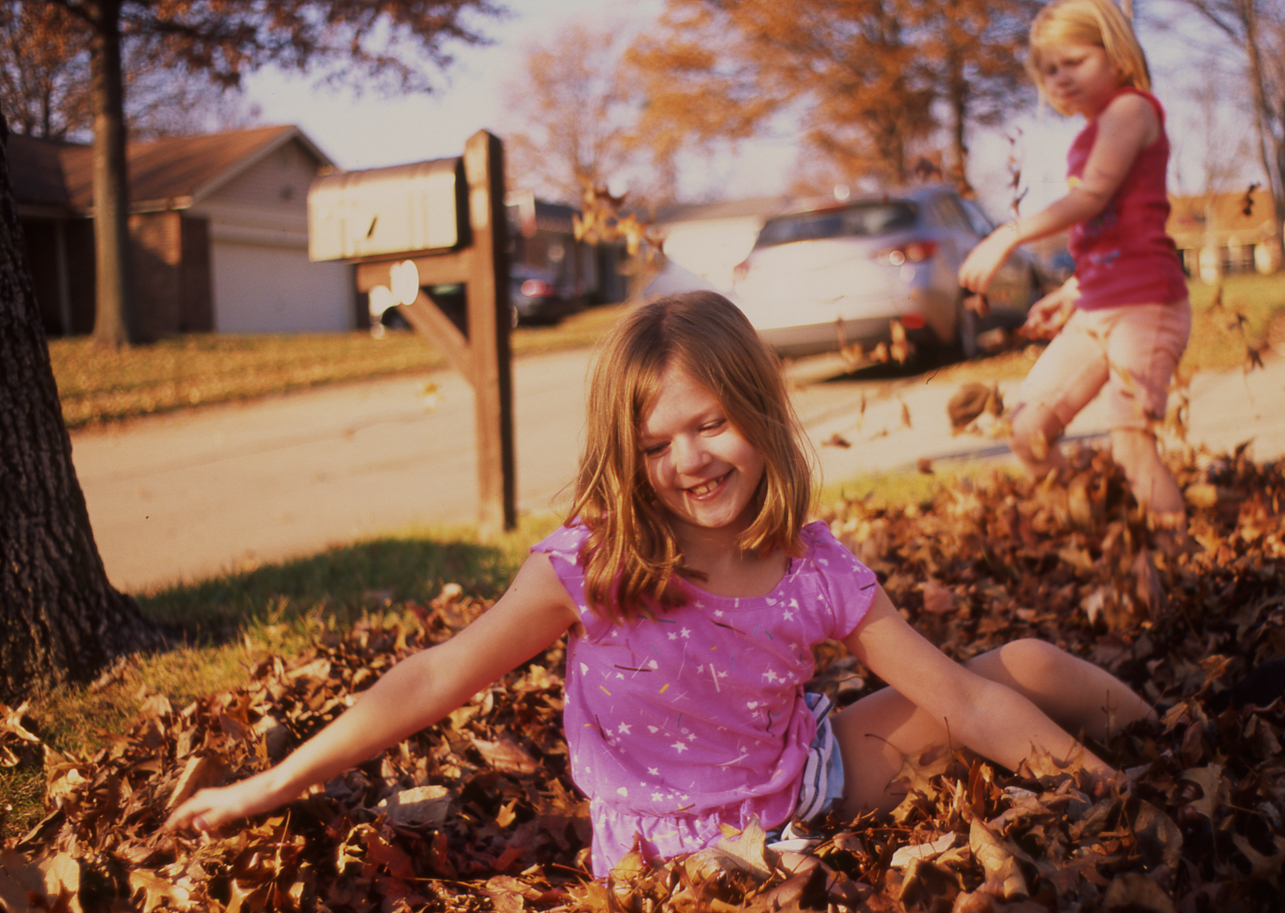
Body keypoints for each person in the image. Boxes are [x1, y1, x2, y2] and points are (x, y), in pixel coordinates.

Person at [164, 291, 1158, 877]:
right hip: (668, 853)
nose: (691, 460)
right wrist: (272, 783)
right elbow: (433, 679)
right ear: (624, 452)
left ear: (761, 418)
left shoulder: (814, 565)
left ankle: (1158, 737)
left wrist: (1117, 802)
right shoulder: (592, 564)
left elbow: (959, 695)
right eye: (656, 442)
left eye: (713, 424)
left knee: (1023, 665)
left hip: (808, 780)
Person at [959, 0, 1191, 528]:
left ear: (1115, 54)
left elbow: (1092, 199)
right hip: (1097, 308)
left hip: (1148, 307)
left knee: (1131, 443)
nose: (1060, 78)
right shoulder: (1087, 136)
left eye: (1074, 61)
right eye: (1049, 69)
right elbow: (1106, 231)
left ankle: (1182, 569)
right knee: (1027, 429)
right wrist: (1073, 292)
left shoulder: (1133, 110)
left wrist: (1007, 236)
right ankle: (1095, 533)